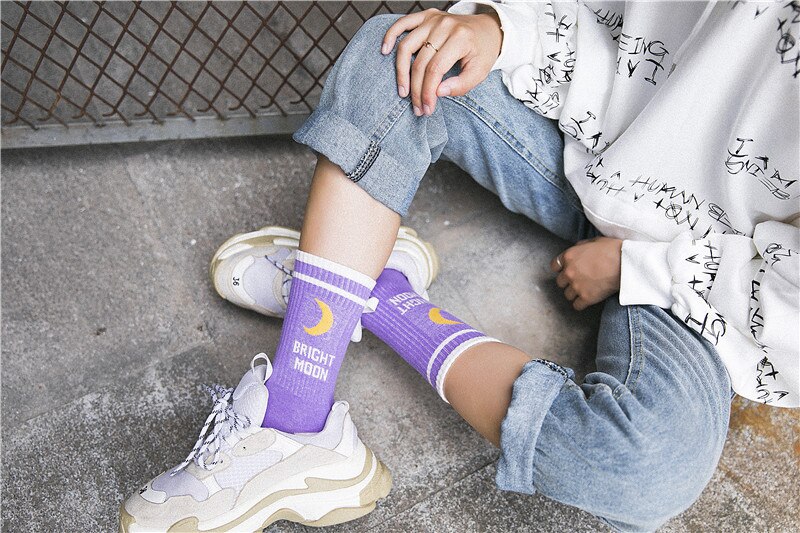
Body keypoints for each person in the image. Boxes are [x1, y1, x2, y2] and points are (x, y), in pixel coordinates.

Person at [120, 1, 799, 532]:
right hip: (606, 144)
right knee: (402, 52)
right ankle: (296, 416)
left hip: (720, 280)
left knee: (642, 468)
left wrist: (637, 266)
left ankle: (372, 287)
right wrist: (499, 29)